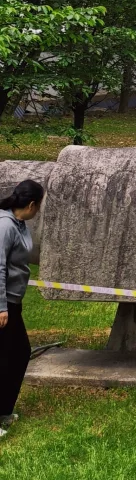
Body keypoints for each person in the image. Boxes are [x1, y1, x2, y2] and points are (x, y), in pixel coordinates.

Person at [0, 178, 45, 435]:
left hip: (13, 302)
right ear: (31, 205)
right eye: (39, 205)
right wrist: (1, 307)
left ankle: (5, 410)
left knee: (18, 353)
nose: (38, 210)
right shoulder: (5, 226)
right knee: (8, 357)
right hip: (4, 304)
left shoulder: (19, 224)